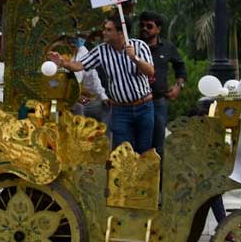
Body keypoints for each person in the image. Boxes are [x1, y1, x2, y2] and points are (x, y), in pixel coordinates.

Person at [49, 12, 156, 153]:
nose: (103, 32)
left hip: (144, 107)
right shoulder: (101, 51)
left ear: (120, 33)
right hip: (120, 110)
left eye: (108, 30)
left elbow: (150, 72)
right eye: (105, 28)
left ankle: (145, 176)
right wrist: (62, 62)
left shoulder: (139, 46)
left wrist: (135, 58)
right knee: (120, 153)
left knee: (144, 150)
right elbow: (80, 65)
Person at [138, 11, 187, 155]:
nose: (144, 29)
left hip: (158, 102)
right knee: (139, 145)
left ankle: (157, 177)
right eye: (142, 25)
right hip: (136, 103)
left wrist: (179, 86)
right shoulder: (132, 46)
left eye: (149, 26)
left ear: (158, 29)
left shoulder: (167, 47)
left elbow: (180, 66)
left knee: (158, 145)